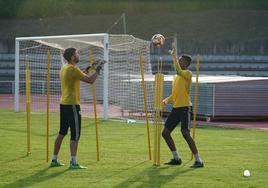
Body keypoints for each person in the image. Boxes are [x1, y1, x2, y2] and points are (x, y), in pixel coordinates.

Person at [50, 48, 102, 169]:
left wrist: (91, 67)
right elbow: (90, 80)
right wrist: (98, 71)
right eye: (77, 53)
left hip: (64, 104)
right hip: (72, 105)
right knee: (76, 134)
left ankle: (54, 159)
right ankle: (73, 162)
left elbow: (81, 73)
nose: (78, 55)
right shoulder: (72, 69)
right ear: (73, 57)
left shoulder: (65, 67)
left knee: (62, 132)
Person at [162, 52, 204, 168]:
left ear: (186, 64)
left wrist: (174, 57)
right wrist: (167, 99)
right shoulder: (176, 77)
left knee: (185, 132)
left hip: (185, 107)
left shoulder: (188, 74)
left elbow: (179, 71)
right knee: (165, 133)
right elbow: (175, 93)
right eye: (178, 60)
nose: (179, 62)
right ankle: (176, 158)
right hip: (176, 108)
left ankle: (198, 160)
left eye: (181, 61)